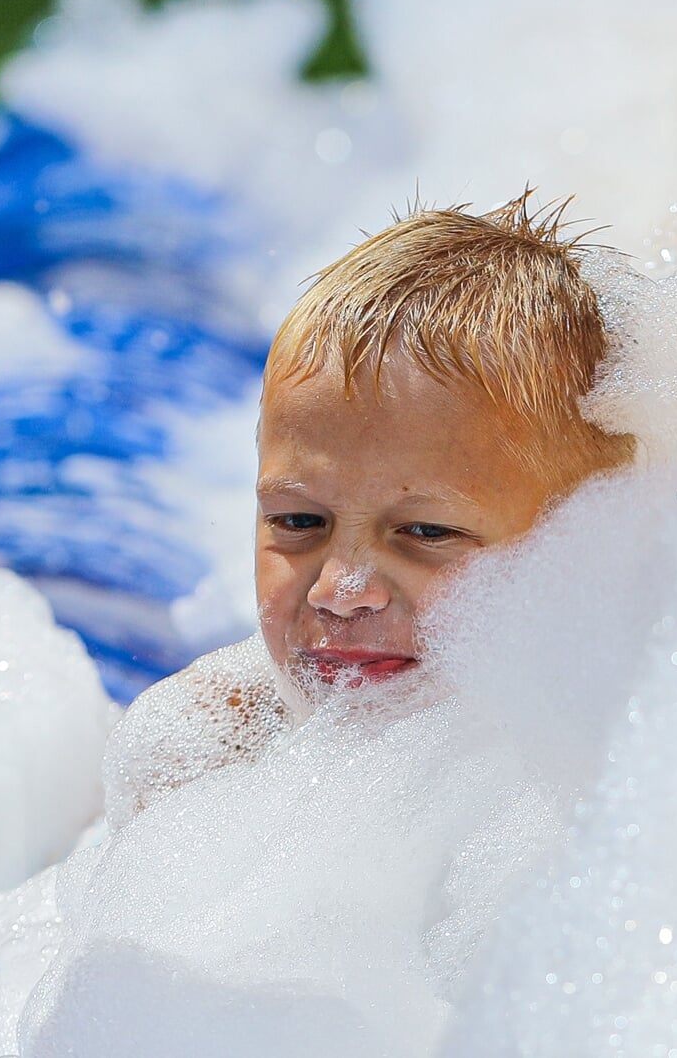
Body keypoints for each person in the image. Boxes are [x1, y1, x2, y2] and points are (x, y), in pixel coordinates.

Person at [103, 192, 635, 819]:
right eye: (298, 522)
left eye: (425, 530)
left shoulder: (611, 779)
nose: (340, 590)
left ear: (586, 538)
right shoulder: (201, 759)